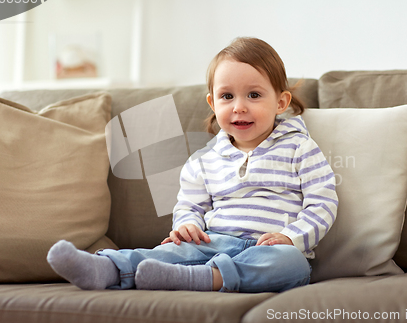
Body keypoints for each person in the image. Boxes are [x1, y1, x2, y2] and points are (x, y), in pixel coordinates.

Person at [47, 37, 338, 293]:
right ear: (213, 103)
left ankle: (197, 278)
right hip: (211, 243)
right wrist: (187, 225)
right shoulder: (204, 160)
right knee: (169, 251)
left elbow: (322, 204)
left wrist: (291, 238)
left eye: (254, 95)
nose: (239, 106)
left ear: (281, 102)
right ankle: (106, 268)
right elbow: (190, 206)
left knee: (292, 267)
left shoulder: (299, 147)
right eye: (227, 96)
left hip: (270, 250)